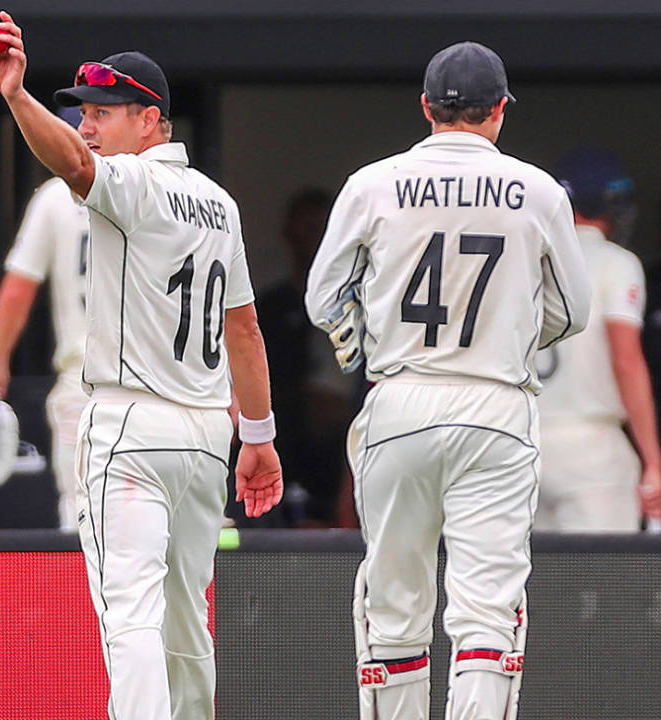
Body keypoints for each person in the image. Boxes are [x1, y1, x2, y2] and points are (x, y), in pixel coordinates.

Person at [0, 12, 282, 720]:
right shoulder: (220, 203)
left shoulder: (129, 182)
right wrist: (259, 435)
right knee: (184, 618)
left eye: (104, 113)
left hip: (132, 425)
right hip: (207, 433)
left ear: (152, 121)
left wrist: (15, 95)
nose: (87, 126)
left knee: (132, 611)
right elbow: (244, 328)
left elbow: (78, 168)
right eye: (82, 112)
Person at [305, 42, 591, 720]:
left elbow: (324, 298)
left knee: (396, 607)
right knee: (486, 614)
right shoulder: (540, 191)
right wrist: (510, 334)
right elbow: (572, 312)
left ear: (426, 107)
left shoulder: (372, 183)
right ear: (498, 112)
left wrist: (365, 347)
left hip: (400, 397)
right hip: (496, 404)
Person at [0, 109, 90, 531]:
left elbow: (19, 288)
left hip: (86, 382)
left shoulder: (56, 195)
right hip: (162, 389)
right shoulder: (158, 190)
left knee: (84, 518)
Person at [535, 148, 661, 532]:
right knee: (603, 586)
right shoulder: (615, 261)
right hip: (593, 447)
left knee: (528, 589)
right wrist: (653, 459)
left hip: (522, 442)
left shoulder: (524, 260)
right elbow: (626, 361)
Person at [254, 188, 355, 527]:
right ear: (287, 232)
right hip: (273, 442)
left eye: (319, 228)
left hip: (337, 455)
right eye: (305, 227)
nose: (311, 238)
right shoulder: (267, 307)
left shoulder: (354, 305)